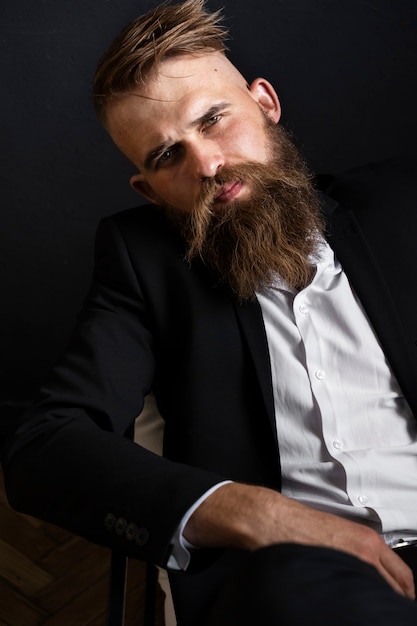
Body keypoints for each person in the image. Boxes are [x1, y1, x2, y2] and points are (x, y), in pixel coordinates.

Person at [2, 0, 417, 624]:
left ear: (266, 104)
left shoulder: (400, 202)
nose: (206, 164)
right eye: (166, 155)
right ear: (147, 189)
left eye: (215, 119)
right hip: (299, 582)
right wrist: (258, 514)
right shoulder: (142, 261)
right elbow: (46, 448)